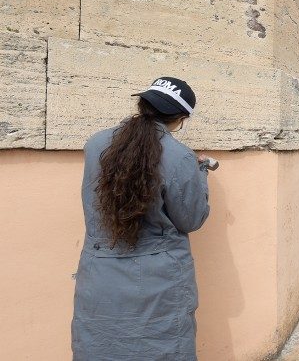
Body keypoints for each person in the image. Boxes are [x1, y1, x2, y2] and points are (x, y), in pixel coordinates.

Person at [72, 77, 212, 360]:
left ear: (143, 103)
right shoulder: (180, 156)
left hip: (99, 273)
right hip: (157, 280)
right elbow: (191, 219)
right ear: (181, 119)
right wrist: (201, 174)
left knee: (100, 348)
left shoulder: (96, 143)